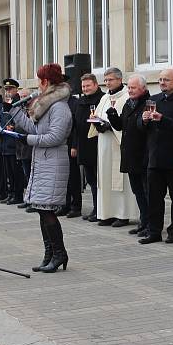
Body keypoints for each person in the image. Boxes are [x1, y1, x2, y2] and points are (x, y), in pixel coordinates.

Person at [9, 63, 72, 273]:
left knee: (47, 211)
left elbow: (55, 137)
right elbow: (34, 128)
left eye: (39, 81)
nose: (37, 85)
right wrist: (16, 112)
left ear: (46, 82)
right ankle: (49, 253)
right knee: (40, 210)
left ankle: (60, 253)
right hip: (42, 162)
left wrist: (28, 139)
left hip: (53, 162)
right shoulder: (45, 105)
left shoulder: (60, 107)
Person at [138, 69, 173, 245]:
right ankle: (154, 231)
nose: (162, 82)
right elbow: (141, 128)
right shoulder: (154, 100)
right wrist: (143, 120)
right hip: (155, 157)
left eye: (166, 79)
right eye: (160, 79)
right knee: (154, 198)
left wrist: (162, 119)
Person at [91, 67, 137, 227]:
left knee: (120, 180)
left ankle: (122, 214)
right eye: (105, 80)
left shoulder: (126, 97)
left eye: (110, 80)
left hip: (118, 145)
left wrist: (110, 127)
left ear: (119, 79)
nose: (107, 83)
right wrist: (97, 125)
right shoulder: (104, 98)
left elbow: (127, 123)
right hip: (103, 145)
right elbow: (96, 116)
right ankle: (106, 214)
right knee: (104, 179)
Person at [107, 74, 150, 234]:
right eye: (129, 87)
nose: (130, 91)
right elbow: (120, 126)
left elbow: (143, 128)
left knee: (147, 192)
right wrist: (112, 114)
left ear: (143, 88)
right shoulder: (128, 103)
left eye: (133, 88)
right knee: (137, 191)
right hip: (130, 156)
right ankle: (143, 222)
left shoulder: (148, 103)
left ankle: (150, 224)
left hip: (143, 156)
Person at [75, 74, 104, 221]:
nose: (85, 89)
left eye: (88, 86)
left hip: (97, 145)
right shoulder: (80, 101)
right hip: (83, 146)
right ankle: (95, 208)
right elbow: (75, 125)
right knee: (91, 180)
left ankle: (100, 210)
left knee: (100, 181)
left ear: (96, 85)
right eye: (83, 86)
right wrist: (75, 146)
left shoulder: (102, 99)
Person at [0, 78, 24, 205]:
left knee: (16, 172)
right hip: (5, 143)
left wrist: (13, 127)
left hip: (15, 144)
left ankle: (18, 194)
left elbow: (22, 120)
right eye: (6, 90)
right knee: (9, 172)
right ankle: (11, 193)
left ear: (16, 90)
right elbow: (0, 118)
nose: (8, 92)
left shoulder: (18, 103)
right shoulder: (5, 103)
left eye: (10, 89)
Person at [62, 87, 82, 218]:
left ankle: (76, 206)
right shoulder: (57, 103)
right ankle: (65, 204)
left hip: (70, 144)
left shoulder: (74, 103)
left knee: (73, 177)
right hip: (60, 144)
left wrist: (74, 145)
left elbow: (76, 127)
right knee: (63, 178)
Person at [15, 88, 34, 209]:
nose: (22, 99)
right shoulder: (20, 109)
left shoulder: (34, 108)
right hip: (21, 147)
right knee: (26, 175)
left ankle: (33, 200)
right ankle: (28, 199)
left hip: (31, 147)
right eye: (21, 97)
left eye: (25, 96)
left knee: (32, 175)